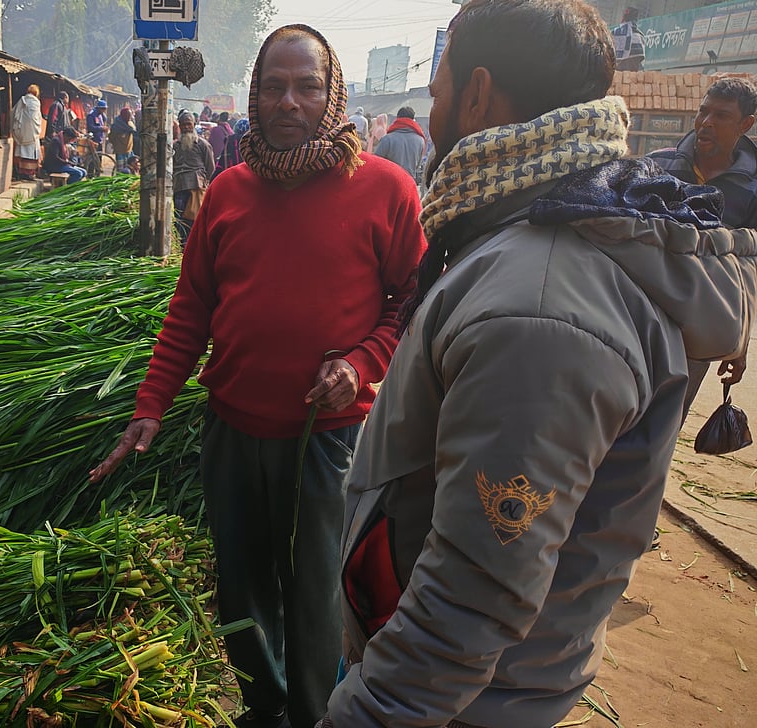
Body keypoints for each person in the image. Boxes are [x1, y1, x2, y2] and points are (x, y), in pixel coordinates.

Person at [317, 3, 757, 727]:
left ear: (480, 94)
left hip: (461, 702)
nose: (432, 109)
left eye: (438, 89)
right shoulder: (527, 235)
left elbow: (470, 603)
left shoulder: (539, 308)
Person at [89, 24, 426, 728]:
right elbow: (191, 311)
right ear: (254, 94)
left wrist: (362, 364)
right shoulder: (228, 192)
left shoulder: (387, 191)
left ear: (332, 93)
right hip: (233, 431)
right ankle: (264, 707)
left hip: (325, 438)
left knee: (312, 598)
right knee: (241, 593)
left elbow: (411, 302)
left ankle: (315, 713)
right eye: (274, 87)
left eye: (307, 86)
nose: (289, 102)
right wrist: (151, 404)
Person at [649, 76, 757, 415]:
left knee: (664, 426)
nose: (706, 123)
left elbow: (749, 272)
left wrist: (739, 343)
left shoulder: (752, 192)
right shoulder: (658, 166)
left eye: (721, 116)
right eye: (703, 112)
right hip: (639, 317)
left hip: (695, 334)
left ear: (746, 124)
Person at [171, 110, 215, 240]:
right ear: (179, 125)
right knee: (180, 218)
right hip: (179, 185)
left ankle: (192, 243)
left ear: (194, 124)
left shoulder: (203, 144)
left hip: (196, 186)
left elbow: (210, 166)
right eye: (183, 124)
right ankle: (182, 244)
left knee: (194, 219)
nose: (186, 127)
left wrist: (205, 181)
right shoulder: (175, 146)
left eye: (189, 124)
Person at [373, 106, 426, 181]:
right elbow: (417, 165)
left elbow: (376, 163)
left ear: (397, 119)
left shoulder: (387, 139)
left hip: (390, 183)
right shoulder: (420, 140)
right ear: (413, 120)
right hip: (409, 183)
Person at [12, 84, 44, 181]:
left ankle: (21, 173)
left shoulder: (21, 101)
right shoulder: (37, 103)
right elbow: (38, 117)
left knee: (22, 153)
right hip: (33, 132)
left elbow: (14, 113)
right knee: (32, 154)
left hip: (21, 132)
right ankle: (30, 174)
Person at [108, 106, 136, 173]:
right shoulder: (116, 125)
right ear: (123, 116)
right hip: (120, 151)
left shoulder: (130, 124)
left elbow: (133, 131)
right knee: (121, 171)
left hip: (129, 150)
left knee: (131, 169)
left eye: (130, 115)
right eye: (128, 115)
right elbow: (111, 137)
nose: (129, 117)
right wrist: (117, 144)